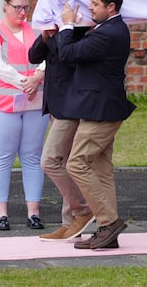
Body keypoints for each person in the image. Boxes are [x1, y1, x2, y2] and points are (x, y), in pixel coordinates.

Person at [56, 0, 136, 250]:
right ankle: (107, 230)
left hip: (101, 111)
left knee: (76, 163)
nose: (90, 7)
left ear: (111, 7)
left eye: (95, 4)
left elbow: (66, 53)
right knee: (101, 169)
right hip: (102, 107)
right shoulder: (108, 29)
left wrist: (66, 24)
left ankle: (109, 221)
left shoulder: (108, 33)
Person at [0, 0, 49, 231]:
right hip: (2, 104)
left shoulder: (37, 30)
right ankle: (1, 214)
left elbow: (48, 57)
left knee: (32, 157)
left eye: (26, 8)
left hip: (34, 103)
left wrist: (38, 76)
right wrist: (27, 82)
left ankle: (34, 212)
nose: (22, 12)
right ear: (5, 7)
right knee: (3, 157)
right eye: (17, 7)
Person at [28, 26, 96, 242]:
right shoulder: (57, 32)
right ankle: (70, 223)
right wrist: (45, 36)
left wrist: (61, 32)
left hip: (71, 106)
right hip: (56, 105)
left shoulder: (80, 31)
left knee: (50, 161)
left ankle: (83, 210)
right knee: (64, 163)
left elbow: (67, 55)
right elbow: (33, 56)